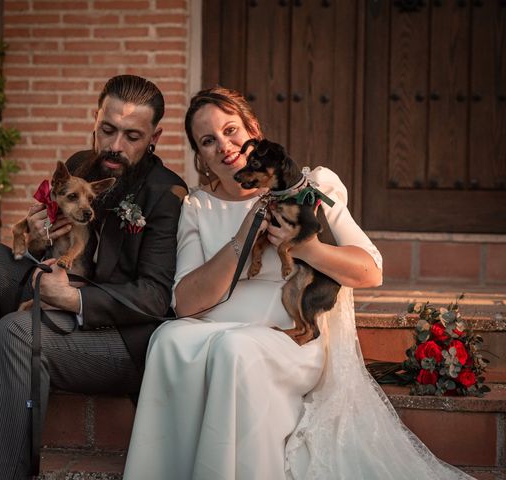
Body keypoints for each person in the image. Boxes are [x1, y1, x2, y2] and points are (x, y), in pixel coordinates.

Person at [122, 87, 474, 480]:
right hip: (213, 331)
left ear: (254, 130)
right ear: (201, 158)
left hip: (291, 338)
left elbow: (370, 271)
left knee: (234, 348)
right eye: (208, 141)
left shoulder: (312, 185)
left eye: (231, 129)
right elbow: (185, 303)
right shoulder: (198, 207)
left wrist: (306, 248)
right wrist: (242, 237)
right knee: (169, 339)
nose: (224, 145)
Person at [0, 74, 187, 479]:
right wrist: (40, 238)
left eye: (132, 136)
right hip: (61, 279)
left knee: (16, 331)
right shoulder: (81, 164)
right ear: (94, 120)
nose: (115, 146)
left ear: (155, 137)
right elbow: (52, 240)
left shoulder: (166, 193)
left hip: (118, 336)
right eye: (108, 129)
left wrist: (73, 300)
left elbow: (155, 297)